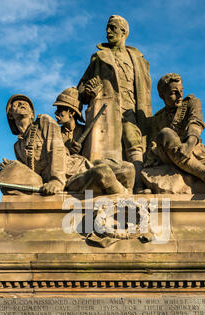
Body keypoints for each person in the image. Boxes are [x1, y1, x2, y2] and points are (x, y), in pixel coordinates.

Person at [78, 15, 152, 192]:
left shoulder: (138, 59)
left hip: (132, 110)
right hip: (107, 112)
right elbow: (80, 88)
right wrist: (88, 91)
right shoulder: (99, 57)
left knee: (134, 142)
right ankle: (110, 185)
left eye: (112, 28)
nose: (108, 31)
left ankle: (139, 184)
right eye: (107, 28)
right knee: (109, 152)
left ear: (124, 32)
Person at [145, 73, 205, 191]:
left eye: (181, 91)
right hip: (170, 157)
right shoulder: (157, 118)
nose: (179, 95)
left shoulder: (192, 103)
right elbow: (153, 144)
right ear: (162, 95)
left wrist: (189, 145)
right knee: (165, 133)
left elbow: (195, 123)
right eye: (173, 93)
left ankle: (196, 170)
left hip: (195, 150)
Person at [53, 87, 136, 195]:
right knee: (102, 173)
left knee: (128, 168)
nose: (56, 114)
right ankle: (123, 195)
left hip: (89, 165)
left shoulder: (86, 131)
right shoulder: (55, 134)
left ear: (71, 112)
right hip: (74, 173)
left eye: (60, 110)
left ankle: (128, 194)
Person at [0, 94, 67, 195]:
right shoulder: (17, 146)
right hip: (44, 183)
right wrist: (13, 167)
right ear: (10, 114)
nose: (22, 104)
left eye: (26, 104)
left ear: (32, 114)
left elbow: (57, 149)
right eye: (16, 104)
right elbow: (30, 174)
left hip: (67, 173)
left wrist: (56, 181)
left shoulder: (44, 121)